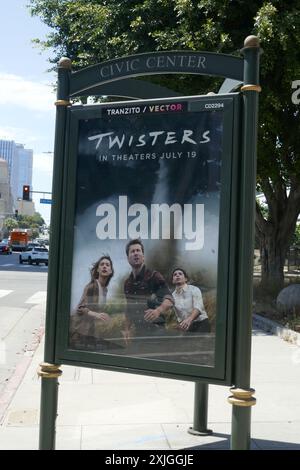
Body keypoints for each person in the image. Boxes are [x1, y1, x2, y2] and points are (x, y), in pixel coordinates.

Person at [124, 239, 174, 336]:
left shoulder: (154, 276)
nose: (136, 253)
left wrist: (158, 311)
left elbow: (170, 299)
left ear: (143, 257)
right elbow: (128, 309)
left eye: (138, 251)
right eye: (132, 251)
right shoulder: (127, 283)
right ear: (128, 258)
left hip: (156, 332)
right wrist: (126, 329)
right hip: (138, 333)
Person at [69, 255, 114, 347]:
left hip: (90, 331)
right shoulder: (91, 286)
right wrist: (96, 314)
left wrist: (105, 316)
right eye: (102, 264)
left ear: (111, 271)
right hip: (79, 330)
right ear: (97, 270)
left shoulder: (105, 289)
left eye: (107, 265)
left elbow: (96, 308)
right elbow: (80, 308)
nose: (104, 266)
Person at [171, 267, 210, 333]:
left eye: (180, 274)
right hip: (186, 326)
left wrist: (189, 319)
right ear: (173, 280)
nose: (177, 275)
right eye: (175, 275)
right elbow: (178, 315)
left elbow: (198, 307)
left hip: (201, 323)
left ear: (186, 279)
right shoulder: (172, 296)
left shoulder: (194, 289)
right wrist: (180, 324)